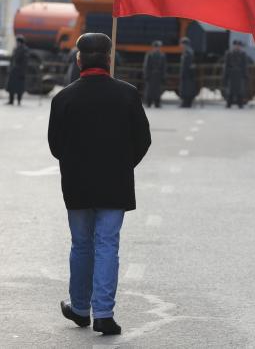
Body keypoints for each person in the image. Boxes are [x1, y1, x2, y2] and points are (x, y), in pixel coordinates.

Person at [48, 33, 151, 336]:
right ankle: (103, 314)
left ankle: (80, 308)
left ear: (78, 60)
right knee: (107, 245)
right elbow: (142, 140)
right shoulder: (127, 94)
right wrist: (120, 165)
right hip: (114, 183)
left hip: (77, 184)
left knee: (81, 245)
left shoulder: (63, 97)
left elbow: (56, 146)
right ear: (109, 58)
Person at [223, 40, 248, 108]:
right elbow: (226, 65)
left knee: (240, 91)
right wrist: (225, 75)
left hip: (239, 74)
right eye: (236, 45)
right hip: (232, 74)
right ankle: (229, 104)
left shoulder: (243, 54)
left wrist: (245, 75)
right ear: (233, 46)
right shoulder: (229, 53)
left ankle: (240, 104)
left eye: (238, 45)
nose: (237, 47)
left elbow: (244, 65)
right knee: (230, 90)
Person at [5, 35, 29, 105]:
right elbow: (12, 60)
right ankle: (11, 100)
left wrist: (23, 72)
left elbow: (25, 62)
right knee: (11, 87)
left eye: (18, 42)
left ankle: (19, 101)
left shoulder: (25, 50)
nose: (17, 43)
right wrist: (10, 68)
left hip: (20, 72)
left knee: (19, 88)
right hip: (13, 71)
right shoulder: (15, 49)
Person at [143, 40, 167, 107]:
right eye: (156, 47)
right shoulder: (149, 55)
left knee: (158, 90)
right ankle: (149, 102)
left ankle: (157, 103)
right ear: (153, 47)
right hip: (151, 74)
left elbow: (164, 67)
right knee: (149, 90)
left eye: (158, 47)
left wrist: (163, 76)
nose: (157, 48)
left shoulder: (162, 56)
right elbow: (146, 66)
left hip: (158, 75)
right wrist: (146, 75)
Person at [179, 37, 196, 107]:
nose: (180, 45)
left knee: (186, 89)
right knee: (186, 89)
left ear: (184, 44)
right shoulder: (188, 51)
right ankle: (186, 103)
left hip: (187, 74)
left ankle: (186, 103)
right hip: (187, 74)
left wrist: (183, 74)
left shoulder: (188, 52)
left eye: (181, 44)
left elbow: (187, 65)